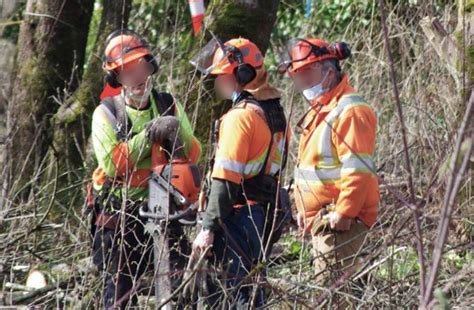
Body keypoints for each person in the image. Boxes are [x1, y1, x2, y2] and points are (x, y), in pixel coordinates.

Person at [89, 29, 201, 308]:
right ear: (117, 77)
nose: (137, 77)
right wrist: (149, 135)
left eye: (141, 68)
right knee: (118, 294)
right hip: (119, 212)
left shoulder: (167, 104)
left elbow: (194, 152)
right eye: (128, 72)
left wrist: (174, 130)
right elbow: (113, 164)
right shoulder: (106, 114)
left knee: (175, 285)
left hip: (162, 205)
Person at [191, 37, 289, 308]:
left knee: (231, 296)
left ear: (240, 74)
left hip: (236, 218)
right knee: (252, 291)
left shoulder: (239, 117)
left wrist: (208, 228)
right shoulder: (273, 112)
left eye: (221, 75)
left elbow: (225, 179)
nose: (217, 82)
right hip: (261, 215)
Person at [284, 38, 379, 303]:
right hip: (324, 222)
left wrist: (344, 213)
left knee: (332, 300)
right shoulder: (323, 110)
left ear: (329, 70)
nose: (301, 81)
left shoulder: (349, 110)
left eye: (307, 73)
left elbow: (357, 168)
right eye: (298, 75)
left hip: (340, 225)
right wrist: (305, 209)